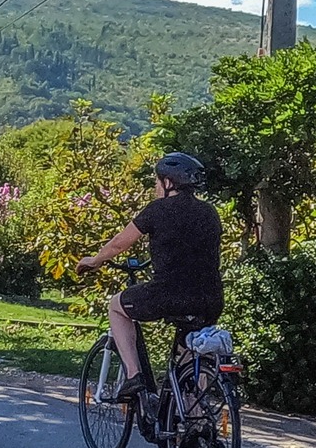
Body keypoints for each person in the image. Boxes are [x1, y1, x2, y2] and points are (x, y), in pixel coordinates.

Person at [74, 152, 223, 401]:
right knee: (189, 361)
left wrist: (95, 261)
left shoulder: (158, 209)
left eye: (157, 181)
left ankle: (134, 376)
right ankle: (196, 424)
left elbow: (120, 244)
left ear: (168, 183)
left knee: (116, 307)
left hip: (169, 294)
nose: (156, 186)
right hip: (210, 299)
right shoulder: (209, 212)